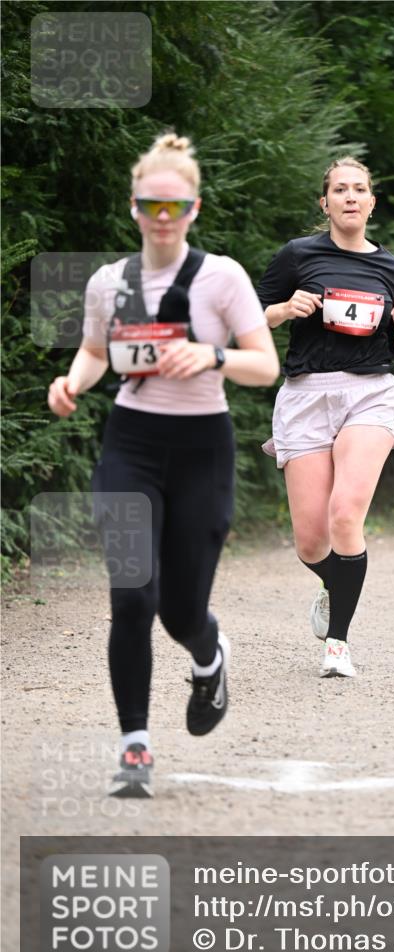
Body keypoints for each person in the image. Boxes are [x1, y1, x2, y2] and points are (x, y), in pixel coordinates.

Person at [47, 133, 279, 797]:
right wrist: (71, 384)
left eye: (175, 207)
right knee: (131, 597)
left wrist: (213, 357)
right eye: (151, 205)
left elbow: (265, 366)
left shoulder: (222, 278)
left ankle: (208, 657)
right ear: (134, 206)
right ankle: (135, 747)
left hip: (202, 449)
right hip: (131, 446)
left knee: (179, 612)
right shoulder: (108, 282)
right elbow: (95, 352)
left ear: (194, 209)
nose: (162, 217)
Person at [257, 158, 394, 678]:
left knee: (345, 515)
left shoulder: (392, 269)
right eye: (340, 190)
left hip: (370, 393)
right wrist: (285, 309)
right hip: (307, 395)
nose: (350, 197)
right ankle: (335, 586)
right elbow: (247, 319)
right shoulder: (298, 256)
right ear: (324, 203)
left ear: (372, 203)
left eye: (360, 189)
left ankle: (337, 645)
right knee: (311, 541)